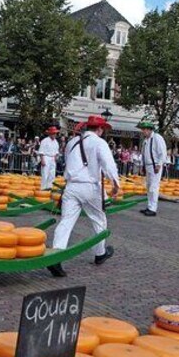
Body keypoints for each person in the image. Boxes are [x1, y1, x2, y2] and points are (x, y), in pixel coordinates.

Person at [47, 115, 119, 278]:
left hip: (71, 186)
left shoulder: (72, 143)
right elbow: (108, 164)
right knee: (98, 219)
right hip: (89, 187)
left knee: (66, 221)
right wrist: (115, 184)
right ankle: (100, 253)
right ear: (99, 129)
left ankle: (56, 256)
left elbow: (67, 160)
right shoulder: (100, 143)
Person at [138, 120, 167, 216]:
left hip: (155, 166)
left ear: (150, 130)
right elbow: (143, 154)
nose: (143, 131)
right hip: (148, 166)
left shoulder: (157, 138)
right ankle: (149, 206)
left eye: (144, 129)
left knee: (153, 187)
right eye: (142, 129)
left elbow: (162, 152)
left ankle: (153, 209)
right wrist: (142, 166)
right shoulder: (146, 140)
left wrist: (159, 164)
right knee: (149, 187)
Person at [37, 126, 60, 190]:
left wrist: (55, 157)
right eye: (53, 133)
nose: (54, 135)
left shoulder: (56, 142)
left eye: (55, 133)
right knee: (45, 174)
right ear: (50, 134)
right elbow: (41, 151)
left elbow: (56, 152)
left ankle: (49, 187)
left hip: (53, 158)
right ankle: (43, 188)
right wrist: (42, 160)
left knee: (52, 174)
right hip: (46, 157)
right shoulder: (44, 141)